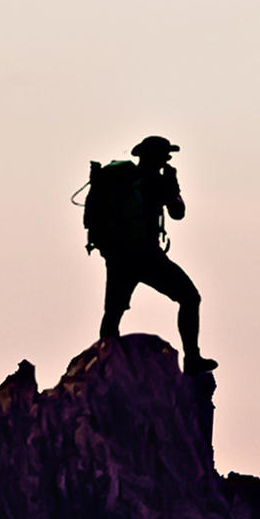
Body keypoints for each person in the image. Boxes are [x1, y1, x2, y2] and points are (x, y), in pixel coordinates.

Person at [83, 135, 202, 361]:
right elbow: (178, 213)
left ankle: (105, 363)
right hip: (147, 256)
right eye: (165, 155)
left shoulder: (123, 180)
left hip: (118, 256)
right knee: (189, 298)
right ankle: (192, 358)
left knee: (113, 312)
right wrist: (173, 184)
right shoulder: (156, 182)